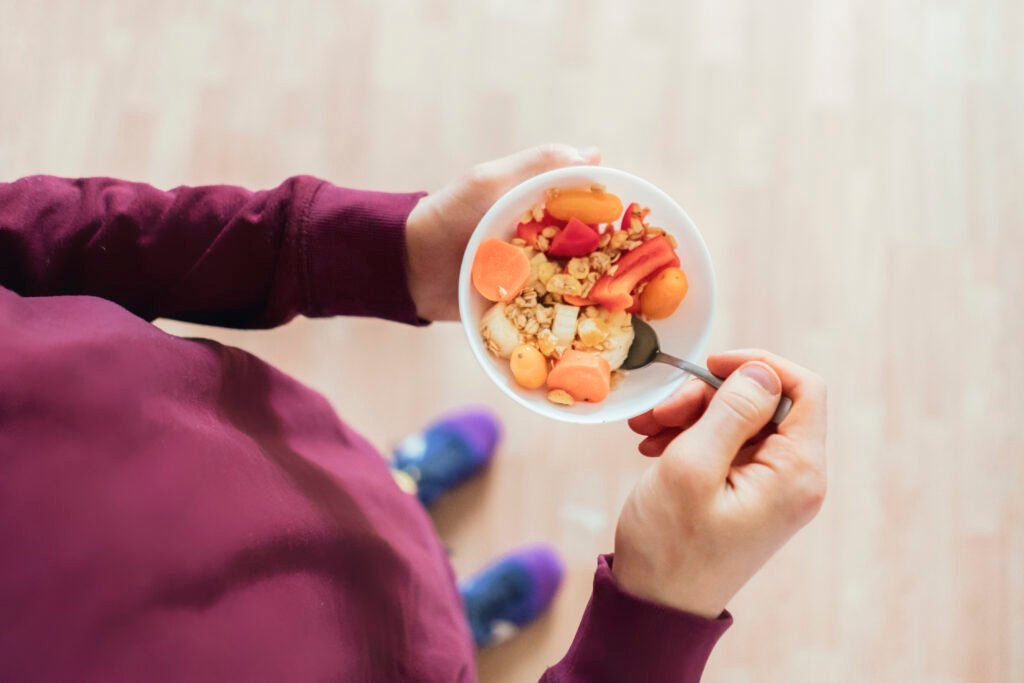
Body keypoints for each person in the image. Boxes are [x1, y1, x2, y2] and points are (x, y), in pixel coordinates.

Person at [0, 144, 827, 682]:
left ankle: (406, 512)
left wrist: (358, 249)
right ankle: (453, 640)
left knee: (370, 522)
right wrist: (659, 613)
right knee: (414, 645)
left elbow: (37, 237)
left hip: (283, 463)